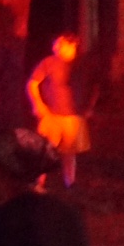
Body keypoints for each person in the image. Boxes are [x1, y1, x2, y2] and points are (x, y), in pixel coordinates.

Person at [27, 34, 90, 189]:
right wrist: (38, 104)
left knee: (69, 153)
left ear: (71, 46)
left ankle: (70, 184)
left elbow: (91, 87)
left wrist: (87, 108)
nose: (56, 47)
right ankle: (38, 184)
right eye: (56, 44)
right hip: (52, 114)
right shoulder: (49, 63)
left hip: (73, 115)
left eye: (60, 44)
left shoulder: (80, 65)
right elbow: (32, 84)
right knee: (45, 150)